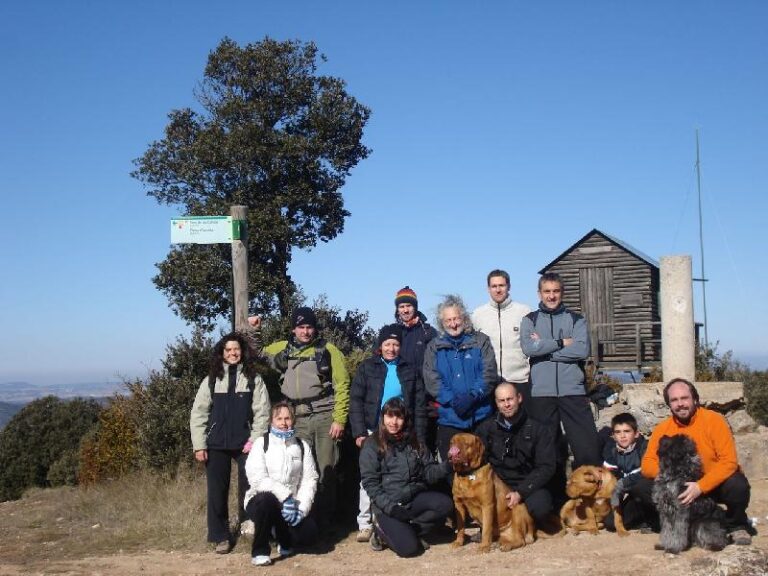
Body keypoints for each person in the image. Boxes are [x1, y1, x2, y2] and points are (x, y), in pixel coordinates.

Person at [263, 307, 350, 533]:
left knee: (326, 469)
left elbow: (342, 385)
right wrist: (253, 329)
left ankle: (326, 521)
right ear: (293, 329)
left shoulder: (329, 350)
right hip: (296, 419)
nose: (305, 331)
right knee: (298, 470)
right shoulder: (282, 348)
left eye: (309, 327)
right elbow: (255, 352)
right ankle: (302, 518)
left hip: (324, 416)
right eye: (301, 327)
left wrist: (339, 419)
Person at [641, 378, 754, 545]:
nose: (680, 404)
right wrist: (670, 477)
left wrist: (701, 486)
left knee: (737, 485)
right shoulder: (662, 429)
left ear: (695, 399)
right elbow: (647, 464)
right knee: (640, 487)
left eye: (684, 398)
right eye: (674, 400)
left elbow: (729, 462)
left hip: (713, 484)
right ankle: (670, 525)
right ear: (669, 405)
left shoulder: (714, 420)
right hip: (679, 487)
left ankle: (736, 525)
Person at [190, 332, 271, 554]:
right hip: (216, 444)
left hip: (246, 444)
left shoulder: (254, 378)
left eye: (236, 349)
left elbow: (262, 413)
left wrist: (255, 440)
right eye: (228, 350)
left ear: (242, 351)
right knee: (217, 492)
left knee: (252, 487)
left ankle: (250, 527)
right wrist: (199, 445)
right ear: (222, 353)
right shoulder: (212, 380)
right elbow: (198, 413)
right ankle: (220, 537)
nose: (233, 353)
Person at [350, 324, 426, 542]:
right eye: (387, 344)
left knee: (400, 475)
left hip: (402, 430)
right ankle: (364, 523)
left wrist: (418, 437)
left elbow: (419, 405)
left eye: (395, 344)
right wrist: (359, 431)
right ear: (380, 345)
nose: (391, 348)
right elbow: (356, 400)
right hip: (374, 430)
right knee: (369, 477)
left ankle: (395, 519)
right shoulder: (367, 368)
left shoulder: (409, 369)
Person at [520, 272, 601, 475]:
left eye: (556, 291)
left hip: (572, 391)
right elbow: (529, 348)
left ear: (562, 292)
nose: (551, 296)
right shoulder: (530, 320)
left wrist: (545, 351)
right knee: (548, 452)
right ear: (539, 293)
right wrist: (560, 343)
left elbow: (582, 350)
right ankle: (554, 500)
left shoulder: (576, 320)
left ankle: (590, 496)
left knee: (587, 448)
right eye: (547, 291)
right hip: (542, 394)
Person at [359, 397, 454, 557]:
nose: (394, 422)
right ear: (383, 418)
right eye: (390, 416)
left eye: (399, 417)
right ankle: (381, 532)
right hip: (388, 506)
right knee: (408, 549)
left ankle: (410, 530)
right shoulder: (372, 444)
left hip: (414, 499)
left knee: (444, 505)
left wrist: (448, 465)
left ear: (405, 419)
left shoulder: (415, 442)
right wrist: (392, 509)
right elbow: (371, 485)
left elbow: (429, 474)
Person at [423, 294, 497, 461]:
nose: (453, 324)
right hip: (450, 419)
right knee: (453, 469)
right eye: (448, 320)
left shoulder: (481, 341)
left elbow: (489, 372)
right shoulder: (434, 347)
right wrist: (451, 400)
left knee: (484, 466)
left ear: (464, 318)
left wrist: (473, 396)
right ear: (442, 323)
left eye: (456, 318)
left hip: (481, 416)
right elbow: (432, 379)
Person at [244, 401, 319, 566]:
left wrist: (301, 509)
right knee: (267, 501)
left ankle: (283, 540)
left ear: (293, 420)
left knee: (310, 534)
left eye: (287, 418)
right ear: (272, 421)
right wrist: (285, 497)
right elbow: (257, 479)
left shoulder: (302, 446)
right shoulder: (261, 444)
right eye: (279, 419)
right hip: (261, 501)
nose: (284, 423)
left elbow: (309, 480)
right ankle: (260, 551)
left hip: (292, 507)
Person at [475, 381, 556, 529]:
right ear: (496, 403)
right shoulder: (486, 429)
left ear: (519, 398)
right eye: (502, 401)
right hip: (498, 485)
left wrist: (520, 492)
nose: (507, 404)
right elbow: (478, 461)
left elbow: (546, 467)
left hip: (528, 484)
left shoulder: (538, 429)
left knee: (540, 507)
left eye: (510, 399)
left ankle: (529, 524)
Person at [471, 270, 532, 400]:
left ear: (509, 286)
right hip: (490, 381)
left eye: (501, 285)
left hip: (520, 380)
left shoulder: (524, 312)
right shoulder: (477, 315)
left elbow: (533, 346)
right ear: (488, 288)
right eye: (494, 286)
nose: (498, 290)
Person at [601, 412, 657, 531]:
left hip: (648, 493)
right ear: (613, 436)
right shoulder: (611, 451)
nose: (622, 436)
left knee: (640, 487)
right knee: (611, 523)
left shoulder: (645, 447)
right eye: (618, 432)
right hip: (631, 496)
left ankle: (656, 518)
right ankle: (643, 520)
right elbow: (610, 476)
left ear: (636, 434)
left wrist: (623, 484)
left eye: (627, 431)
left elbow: (645, 472)